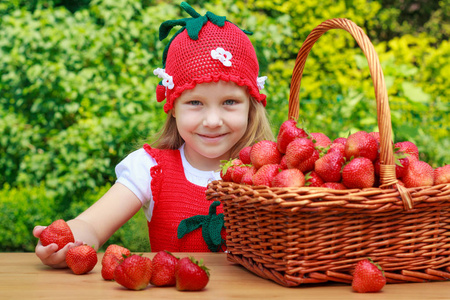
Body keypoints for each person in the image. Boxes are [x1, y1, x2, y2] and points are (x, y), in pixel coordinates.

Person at [33, 2, 274, 268]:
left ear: (252, 105)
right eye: (195, 103)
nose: (213, 121)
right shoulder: (150, 168)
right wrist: (68, 240)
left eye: (230, 102)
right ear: (172, 107)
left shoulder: (271, 171)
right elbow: (91, 224)